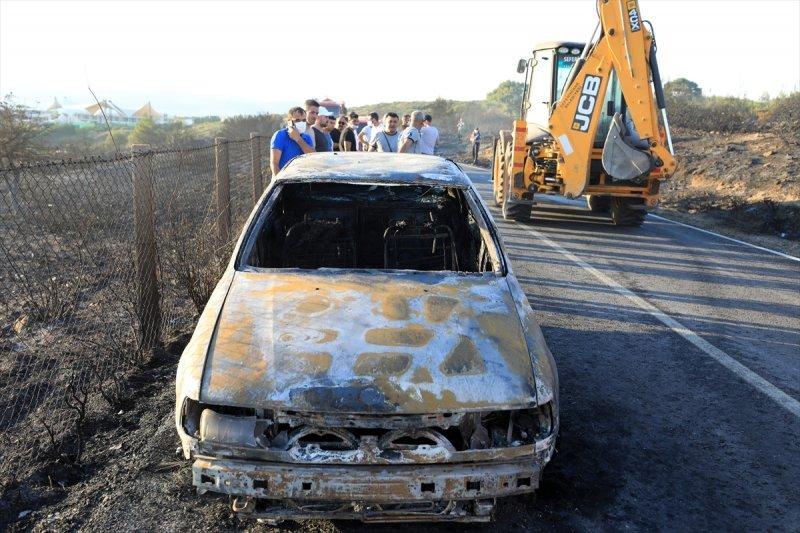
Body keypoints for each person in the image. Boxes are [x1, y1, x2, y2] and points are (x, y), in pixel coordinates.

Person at [270, 106, 314, 175]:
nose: (301, 123)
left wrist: (298, 139)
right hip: (284, 179)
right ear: (289, 122)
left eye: (304, 120)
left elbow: (313, 157)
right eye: (297, 120)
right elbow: (274, 164)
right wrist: (280, 182)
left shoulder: (306, 137)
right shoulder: (280, 135)